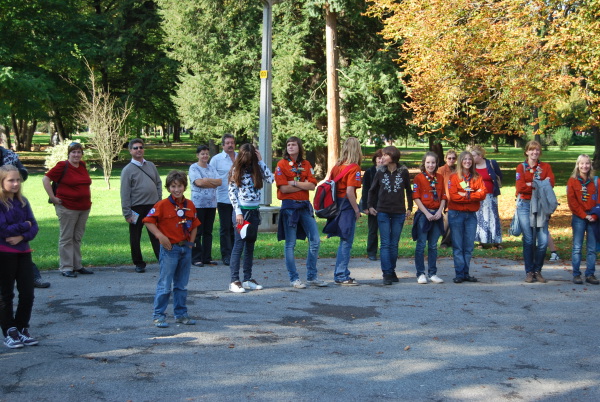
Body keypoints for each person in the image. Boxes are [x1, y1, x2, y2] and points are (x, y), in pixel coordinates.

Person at [143, 170, 200, 328]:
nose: (177, 189)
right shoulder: (162, 205)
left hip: (185, 249)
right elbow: (148, 221)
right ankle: (158, 315)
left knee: (181, 285)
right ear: (168, 188)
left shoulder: (190, 205)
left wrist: (190, 244)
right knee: (165, 284)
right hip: (170, 250)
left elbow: (195, 225)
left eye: (179, 186)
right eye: (173, 186)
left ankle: (181, 314)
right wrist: (160, 236)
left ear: (184, 187)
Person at [276, 136, 328, 289]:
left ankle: (312, 276)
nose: (290, 147)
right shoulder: (281, 164)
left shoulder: (306, 164)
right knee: (290, 243)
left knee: (315, 240)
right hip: (289, 208)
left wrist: (294, 183)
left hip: (304, 206)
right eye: (288, 145)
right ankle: (294, 278)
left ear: (299, 147)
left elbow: (312, 185)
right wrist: (302, 185)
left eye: (293, 144)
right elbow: (283, 188)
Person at [0, 165, 39, 348]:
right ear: (2, 182)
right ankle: (9, 330)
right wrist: (25, 225)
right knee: (5, 294)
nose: (15, 184)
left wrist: (22, 236)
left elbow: (35, 226)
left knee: (28, 293)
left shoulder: (23, 201)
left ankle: (22, 327)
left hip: (23, 252)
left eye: (18, 180)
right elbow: (3, 230)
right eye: (11, 180)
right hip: (4, 253)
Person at [0, 145, 49, 288]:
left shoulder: (7, 155)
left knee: (21, 254)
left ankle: (32, 277)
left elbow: (23, 173)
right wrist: (25, 225)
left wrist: (22, 235)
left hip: (10, 198)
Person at [42, 142, 93, 278]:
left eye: (79, 152)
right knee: (66, 238)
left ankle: (77, 265)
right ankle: (66, 267)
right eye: (73, 152)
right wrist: (52, 197)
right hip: (67, 207)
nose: (76, 155)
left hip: (84, 207)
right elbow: (45, 179)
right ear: (69, 153)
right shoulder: (62, 166)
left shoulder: (82, 165)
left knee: (77, 237)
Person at [227, 143, 274, 293]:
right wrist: (238, 212)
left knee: (250, 246)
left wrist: (261, 161)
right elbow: (232, 193)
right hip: (242, 212)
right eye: (245, 158)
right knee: (239, 245)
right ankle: (234, 281)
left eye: (251, 158)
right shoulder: (236, 169)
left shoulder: (257, 168)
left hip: (254, 211)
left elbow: (271, 179)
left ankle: (247, 279)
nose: (248, 161)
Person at [368, 146, 413, 285]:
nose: (382, 158)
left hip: (399, 212)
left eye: (385, 155)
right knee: (385, 243)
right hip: (383, 211)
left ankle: (391, 270)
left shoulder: (403, 171)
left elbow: (408, 190)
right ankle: (386, 273)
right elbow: (372, 190)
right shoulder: (380, 171)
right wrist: (370, 206)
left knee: (394, 244)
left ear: (393, 156)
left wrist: (410, 207)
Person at [323, 137, 363, 286]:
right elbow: (350, 191)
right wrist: (356, 209)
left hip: (336, 204)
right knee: (346, 241)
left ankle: (341, 273)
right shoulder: (354, 168)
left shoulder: (337, 166)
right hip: (346, 205)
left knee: (343, 240)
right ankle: (341, 274)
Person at [515, 140, 555, 283]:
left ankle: (538, 270)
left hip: (541, 205)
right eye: (531, 150)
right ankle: (529, 271)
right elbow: (520, 187)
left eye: (537, 150)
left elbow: (551, 184)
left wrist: (531, 184)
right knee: (529, 239)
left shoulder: (545, 167)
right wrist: (539, 184)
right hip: (525, 204)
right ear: (526, 152)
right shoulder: (521, 167)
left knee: (543, 241)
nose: (534, 152)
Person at [120, 138, 162, 273]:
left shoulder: (151, 165)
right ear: (130, 151)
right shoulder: (127, 170)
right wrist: (127, 213)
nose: (139, 150)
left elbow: (158, 183)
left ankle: (162, 259)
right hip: (136, 208)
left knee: (156, 235)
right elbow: (125, 193)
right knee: (135, 236)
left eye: (141, 147)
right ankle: (138, 263)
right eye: (135, 148)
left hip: (152, 207)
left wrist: (159, 200)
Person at [448, 151, 486, 283]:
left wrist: (465, 194)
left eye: (470, 159)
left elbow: (483, 194)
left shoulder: (477, 177)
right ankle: (459, 274)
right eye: (464, 159)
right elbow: (453, 196)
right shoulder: (454, 177)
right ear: (460, 161)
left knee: (469, 246)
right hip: (456, 214)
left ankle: (466, 273)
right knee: (458, 246)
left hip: (471, 215)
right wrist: (474, 194)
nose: (467, 161)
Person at [412, 152, 446, 284]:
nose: (430, 165)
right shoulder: (419, 178)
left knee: (433, 245)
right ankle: (420, 273)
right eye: (428, 162)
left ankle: (433, 273)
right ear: (424, 163)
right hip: (424, 214)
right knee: (421, 244)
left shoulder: (440, 177)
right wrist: (426, 213)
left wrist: (440, 211)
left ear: (436, 164)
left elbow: (443, 196)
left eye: (433, 162)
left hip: (437, 214)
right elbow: (416, 197)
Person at [566, 154, 599, 285]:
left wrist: (594, 216)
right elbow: (572, 202)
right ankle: (576, 274)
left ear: (590, 165)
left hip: (593, 217)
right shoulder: (572, 181)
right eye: (582, 163)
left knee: (591, 248)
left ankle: (590, 274)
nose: (584, 166)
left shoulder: (595, 181)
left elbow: (599, 201)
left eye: (587, 163)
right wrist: (584, 215)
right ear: (578, 165)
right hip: (579, 217)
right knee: (577, 247)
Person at [189, 145, 221, 267]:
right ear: (197, 155)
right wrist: (210, 182)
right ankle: (196, 258)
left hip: (211, 204)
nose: (205, 156)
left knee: (208, 232)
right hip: (198, 205)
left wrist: (206, 180)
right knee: (197, 232)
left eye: (207, 153)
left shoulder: (211, 168)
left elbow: (219, 182)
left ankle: (207, 257)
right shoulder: (193, 167)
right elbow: (198, 182)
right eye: (202, 154)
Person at [210, 134, 237, 266]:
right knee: (225, 228)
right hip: (223, 198)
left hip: (239, 199)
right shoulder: (216, 159)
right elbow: (211, 177)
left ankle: (235, 254)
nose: (230, 145)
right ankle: (226, 255)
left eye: (232, 142)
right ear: (223, 145)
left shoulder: (240, 157)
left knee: (236, 227)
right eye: (227, 143)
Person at [470, 145, 503, 249]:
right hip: (478, 196)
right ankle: (481, 241)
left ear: (480, 156)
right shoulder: (472, 167)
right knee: (480, 217)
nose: (471, 158)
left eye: (473, 156)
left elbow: (499, 176)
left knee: (493, 216)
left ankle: (496, 241)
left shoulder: (491, 163)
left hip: (491, 195)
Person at [361, 149, 383, 261]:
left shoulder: (387, 172)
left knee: (385, 231)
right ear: (375, 159)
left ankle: (385, 252)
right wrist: (366, 206)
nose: (381, 161)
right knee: (373, 230)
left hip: (385, 205)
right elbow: (365, 190)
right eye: (379, 158)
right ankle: (371, 252)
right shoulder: (369, 172)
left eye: (383, 158)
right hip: (372, 205)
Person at [438, 150, 457, 249]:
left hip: (457, 199)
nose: (451, 160)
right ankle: (444, 242)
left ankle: (450, 242)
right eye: (449, 158)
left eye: (453, 158)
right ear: (446, 159)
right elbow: (438, 185)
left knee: (454, 222)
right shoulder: (441, 170)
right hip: (446, 200)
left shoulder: (458, 169)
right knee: (447, 221)